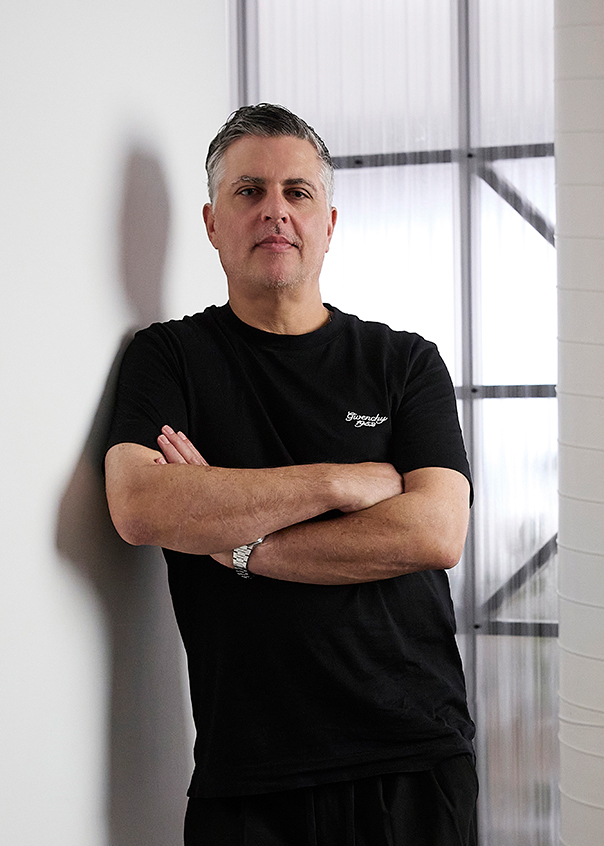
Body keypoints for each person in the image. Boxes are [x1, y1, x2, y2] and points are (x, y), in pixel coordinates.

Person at [105, 103, 478, 846]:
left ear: (328, 224)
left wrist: (239, 547)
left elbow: (435, 532)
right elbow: (141, 504)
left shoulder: (405, 363)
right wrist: (342, 483)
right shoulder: (168, 358)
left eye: (297, 192)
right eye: (249, 191)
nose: (274, 211)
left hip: (412, 758)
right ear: (212, 223)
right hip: (249, 773)